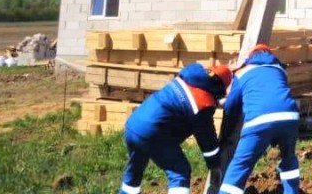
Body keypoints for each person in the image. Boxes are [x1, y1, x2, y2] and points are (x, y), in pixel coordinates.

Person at [118, 61, 232, 194]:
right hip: (154, 133)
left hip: (134, 125)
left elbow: (185, 101)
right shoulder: (202, 104)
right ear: (220, 87)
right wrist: (215, 166)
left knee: (134, 174)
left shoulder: (189, 76)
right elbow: (208, 142)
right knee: (180, 172)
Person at [218, 44, 301, 194]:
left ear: (250, 57)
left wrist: (228, 134)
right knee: (289, 160)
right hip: (290, 117)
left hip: (259, 121)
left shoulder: (242, 72)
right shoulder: (279, 69)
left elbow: (231, 105)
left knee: (240, 166)